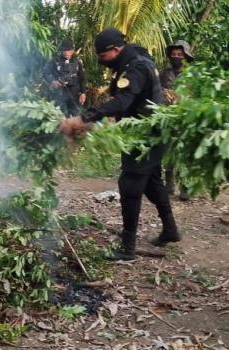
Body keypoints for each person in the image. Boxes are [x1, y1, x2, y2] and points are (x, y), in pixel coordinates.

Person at [59, 28, 180, 260]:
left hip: (145, 135)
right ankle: (171, 230)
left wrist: (84, 119)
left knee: (130, 186)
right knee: (153, 183)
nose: (101, 62)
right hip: (151, 133)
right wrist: (98, 122)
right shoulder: (134, 58)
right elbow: (128, 103)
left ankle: (128, 249)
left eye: (103, 57)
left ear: (114, 50)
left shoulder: (135, 67)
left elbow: (123, 100)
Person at [160, 40, 194, 201]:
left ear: (186, 57)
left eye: (180, 55)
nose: (176, 57)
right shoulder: (164, 73)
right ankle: (169, 184)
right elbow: (157, 89)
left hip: (186, 117)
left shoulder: (192, 74)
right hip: (167, 117)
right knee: (169, 151)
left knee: (186, 154)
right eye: (173, 54)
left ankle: (185, 186)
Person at [44, 40, 86, 116]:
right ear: (61, 50)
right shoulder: (55, 61)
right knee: (57, 116)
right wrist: (52, 81)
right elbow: (46, 73)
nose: (66, 52)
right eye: (64, 50)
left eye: (69, 50)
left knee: (74, 116)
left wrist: (83, 93)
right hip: (59, 93)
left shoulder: (77, 62)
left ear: (73, 51)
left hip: (74, 94)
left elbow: (82, 78)